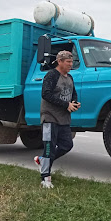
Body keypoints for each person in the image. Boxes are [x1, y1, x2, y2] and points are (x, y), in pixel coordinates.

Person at [34, 50, 81, 188]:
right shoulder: (51, 75)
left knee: (67, 145)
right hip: (50, 117)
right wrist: (66, 105)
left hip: (64, 119)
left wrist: (74, 102)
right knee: (48, 147)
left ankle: (43, 160)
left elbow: (73, 93)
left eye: (72, 62)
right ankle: (45, 178)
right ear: (60, 61)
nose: (70, 65)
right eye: (68, 62)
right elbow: (46, 94)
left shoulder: (70, 77)